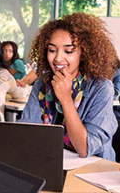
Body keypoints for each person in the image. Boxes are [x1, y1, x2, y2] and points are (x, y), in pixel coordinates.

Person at [20, 12, 118, 161]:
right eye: (52, 50)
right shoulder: (42, 84)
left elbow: (85, 148)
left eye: (69, 51)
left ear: (84, 53)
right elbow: (26, 134)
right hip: (50, 163)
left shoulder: (101, 87)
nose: (58, 58)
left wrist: (65, 99)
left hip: (93, 171)